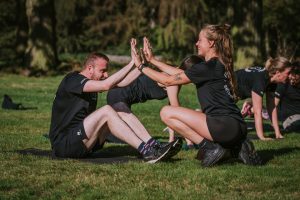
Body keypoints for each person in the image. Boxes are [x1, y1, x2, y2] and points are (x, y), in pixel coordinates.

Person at [131, 24, 261, 167]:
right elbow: (179, 74)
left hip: (224, 127)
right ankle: (236, 147)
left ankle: (210, 148)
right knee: (174, 112)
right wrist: (152, 60)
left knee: (166, 112)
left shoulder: (207, 67)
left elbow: (167, 80)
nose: (196, 43)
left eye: (200, 40)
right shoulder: (218, 64)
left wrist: (141, 67)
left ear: (211, 43)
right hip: (236, 125)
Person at [49, 39, 180, 163]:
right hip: (65, 144)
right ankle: (146, 151)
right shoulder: (73, 80)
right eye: (103, 71)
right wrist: (131, 63)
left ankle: (153, 145)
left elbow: (123, 82)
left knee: (118, 107)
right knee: (106, 111)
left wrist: (142, 64)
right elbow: (106, 85)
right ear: (90, 68)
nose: (106, 75)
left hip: (83, 141)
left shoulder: (93, 82)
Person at [106, 55, 203, 149]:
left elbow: (172, 111)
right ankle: (103, 134)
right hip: (119, 95)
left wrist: (171, 140)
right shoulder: (173, 81)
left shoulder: (174, 74)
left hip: (123, 96)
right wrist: (190, 140)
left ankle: (105, 132)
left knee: (126, 133)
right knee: (129, 138)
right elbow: (177, 111)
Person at [236, 57, 291, 140]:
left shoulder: (272, 81)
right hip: (223, 88)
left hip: (234, 93)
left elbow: (272, 107)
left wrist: (278, 133)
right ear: (278, 72)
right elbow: (258, 112)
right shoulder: (261, 79)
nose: (290, 76)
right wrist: (262, 137)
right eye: (288, 73)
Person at [274, 62, 300, 132]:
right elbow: (273, 105)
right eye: (290, 74)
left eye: (294, 75)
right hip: (290, 119)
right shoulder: (283, 84)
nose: (290, 77)